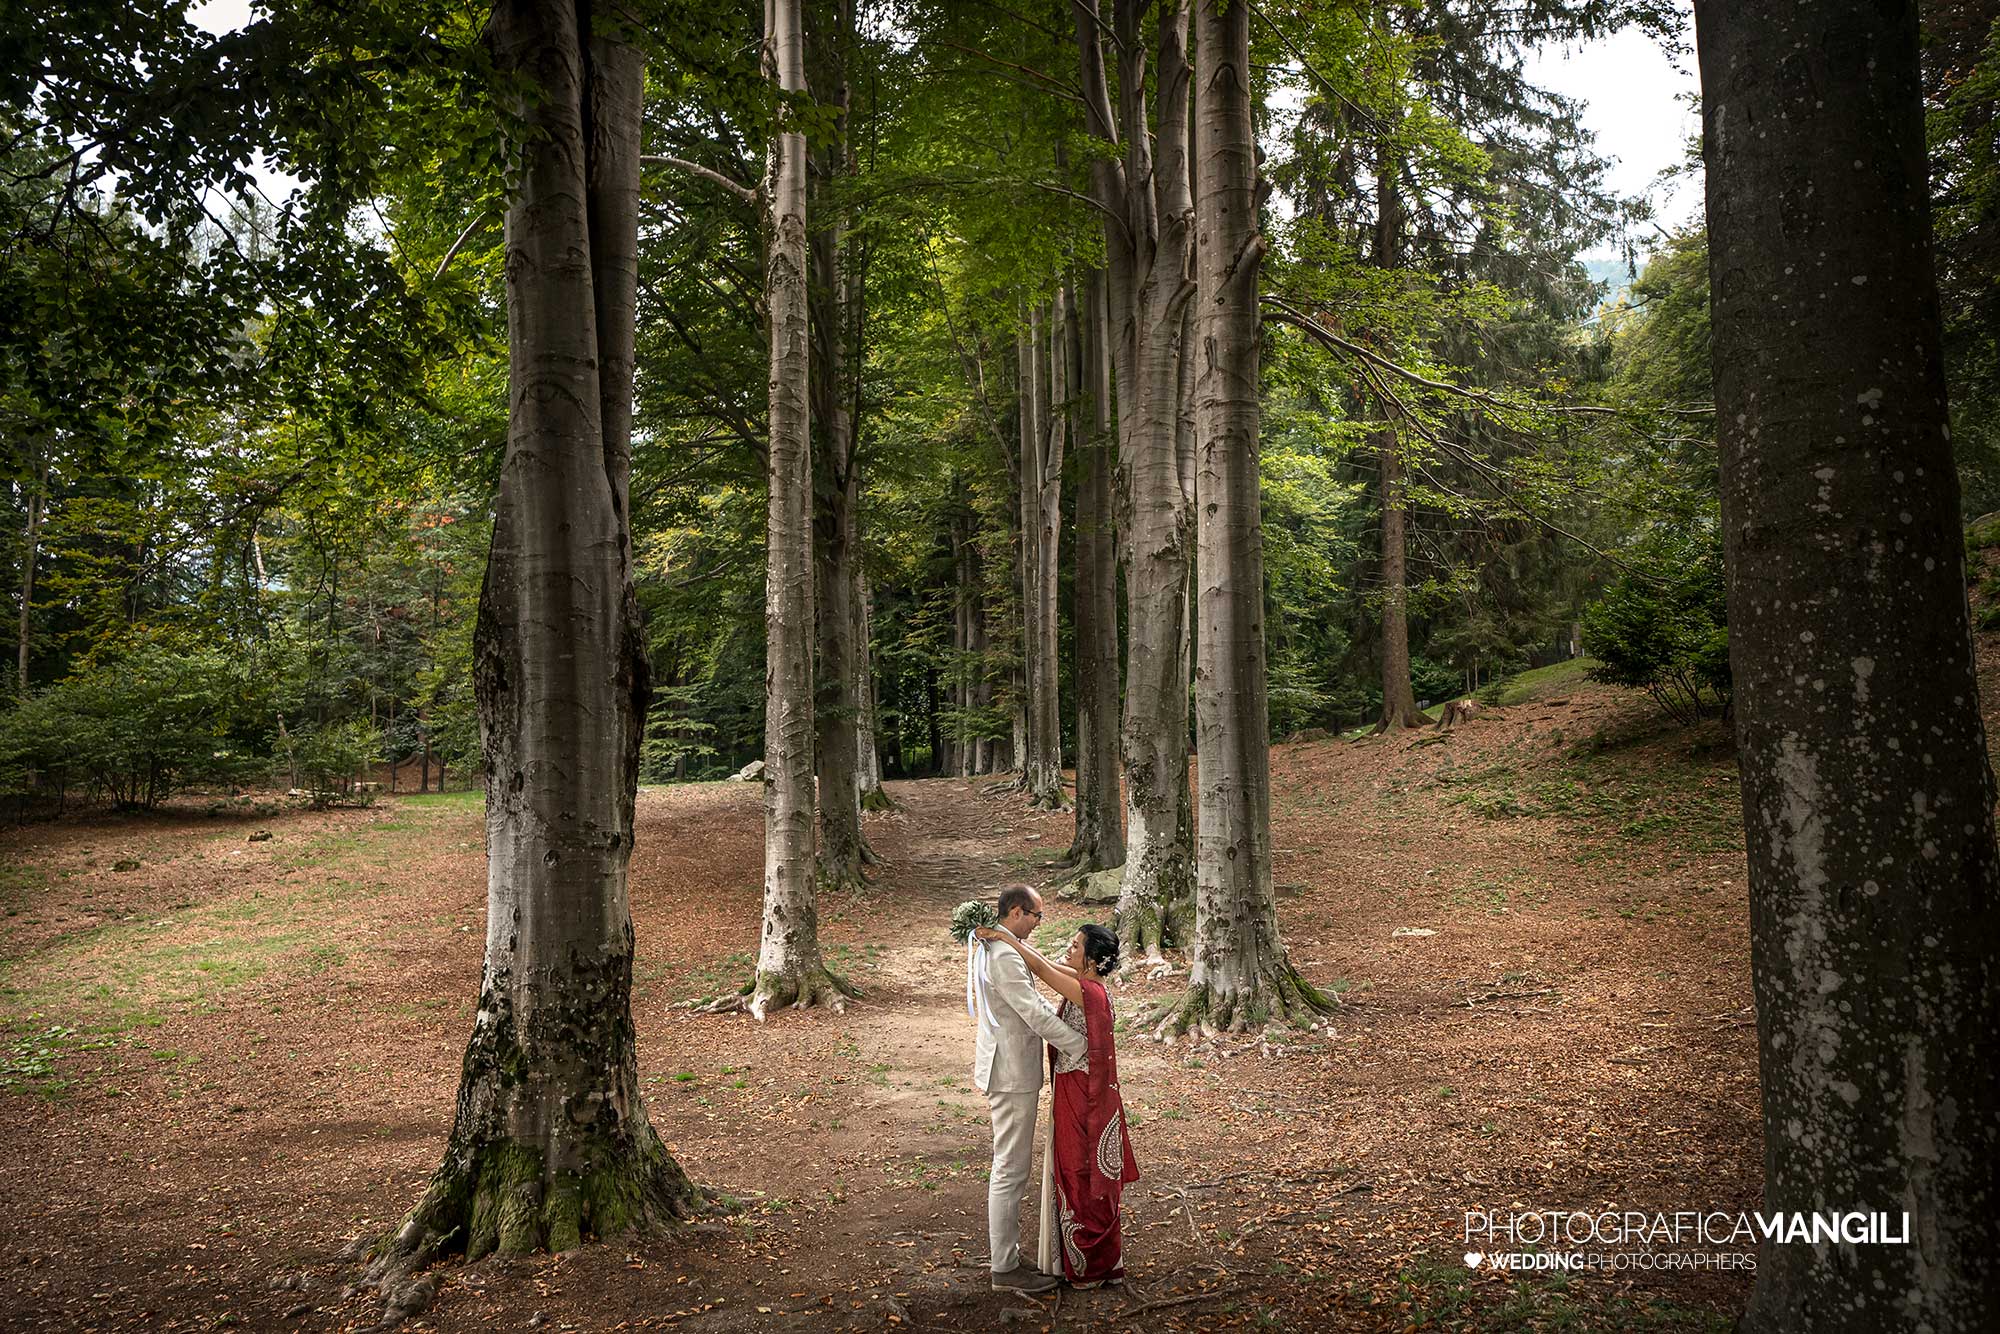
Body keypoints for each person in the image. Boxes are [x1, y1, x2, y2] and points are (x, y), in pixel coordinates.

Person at [973, 919, 1138, 1288]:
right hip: (1076, 1086)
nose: (1069, 947)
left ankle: (1089, 1266)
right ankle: (1085, 1261)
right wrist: (1011, 940)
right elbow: (1045, 960)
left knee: (1080, 1168)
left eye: (1076, 946)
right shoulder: (1085, 980)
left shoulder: (1088, 990)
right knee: (1073, 1166)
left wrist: (1002, 936)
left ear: (1093, 960)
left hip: (1083, 1094)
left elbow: (1042, 968)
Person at [971, 885, 1088, 1294]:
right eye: (1037, 915)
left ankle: (1007, 1255)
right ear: (1017, 912)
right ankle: (1004, 1267)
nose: (1039, 922)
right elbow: (1034, 1013)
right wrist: (1081, 1045)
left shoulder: (1000, 948)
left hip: (1008, 1066)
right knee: (1010, 1169)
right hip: (1010, 1072)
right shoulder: (1003, 957)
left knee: (1011, 1167)